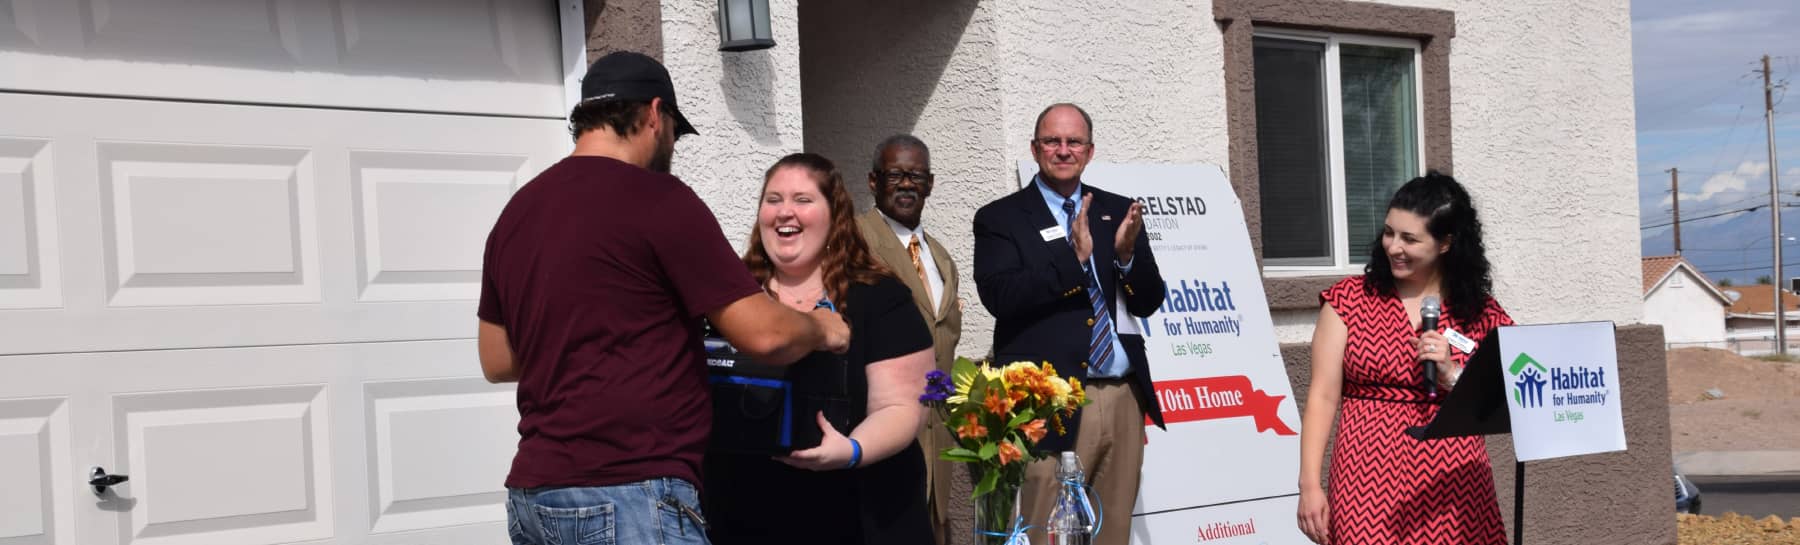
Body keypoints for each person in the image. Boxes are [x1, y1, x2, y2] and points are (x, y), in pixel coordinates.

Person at [477, 52, 850, 545]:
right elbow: (766, 335)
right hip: (630, 490)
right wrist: (823, 327)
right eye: (674, 129)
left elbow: (498, 359)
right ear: (655, 114)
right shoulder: (658, 198)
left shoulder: (519, 211)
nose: (673, 143)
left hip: (534, 497)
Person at [704, 152, 936, 545]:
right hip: (742, 511)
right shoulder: (730, 296)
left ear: (835, 214)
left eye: (802, 200)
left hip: (860, 511)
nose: (784, 212)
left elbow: (902, 408)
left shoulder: (879, 297)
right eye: (773, 200)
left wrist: (850, 450)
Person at [972, 103, 1167, 545]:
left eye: (1073, 142)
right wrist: (1073, 260)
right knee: (1041, 531)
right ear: (1035, 149)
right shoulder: (1000, 217)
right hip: (1047, 401)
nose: (1063, 150)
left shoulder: (1117, 210)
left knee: (1111, 530)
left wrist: (1126, 256)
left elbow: (1150, 300)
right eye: (1052, 141)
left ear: (1089, 151)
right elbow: (999, 297)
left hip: (1120, 395)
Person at [1295, 172, 1511, 545]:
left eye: (1410, 238)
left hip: (1454, 481)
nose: (1394, 246)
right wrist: (1309, 484)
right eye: (1389, 232)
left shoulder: (1482, 312)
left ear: (1445, 244)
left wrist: (1451, 372)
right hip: (1367, 477)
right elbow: (1322, 396)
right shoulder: (1348, 301)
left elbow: (1506, 399)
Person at [852, 134, 965, 545]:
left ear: (930, 184)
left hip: (935, 436)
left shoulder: (938, 255)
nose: (906, 184)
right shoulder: (854, 241)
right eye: (895, 174)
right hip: (882, 431)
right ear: (872, 182)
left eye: (916, 175)